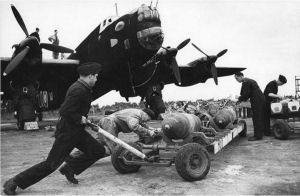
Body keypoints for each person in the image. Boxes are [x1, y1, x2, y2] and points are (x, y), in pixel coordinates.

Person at [3, 62, 106, 195]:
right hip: (68, 133)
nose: (97, 79)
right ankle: (15, 182)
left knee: (98, 150)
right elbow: (65, 111)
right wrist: (80, 118)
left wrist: (83, 119)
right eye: (96, 76)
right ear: (90, 76)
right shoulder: (78, 89)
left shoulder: (82, 87)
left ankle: (70, 168)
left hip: (77, 132)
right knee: (51, 164)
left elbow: (74, 109)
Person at [66, 108, 159, 161]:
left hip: (106, 122)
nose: (148, 120)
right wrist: (148, 132)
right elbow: (134, 126)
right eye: (148, 118)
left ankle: (72, 156)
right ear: (145, 113)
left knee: (97, 144)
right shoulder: (137, 114)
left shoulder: (136, 113)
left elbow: (143, 125)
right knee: (114, 150)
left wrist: (152, 129)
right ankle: (123, 163)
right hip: (109, 124)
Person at [234, 72, 266, 141]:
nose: (236, 80)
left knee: (256, 118)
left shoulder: (246, 82)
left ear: (241, 76)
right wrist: (241, 98)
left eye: (237, 78)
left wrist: (239, 98)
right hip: (260, 100)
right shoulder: (249, 80)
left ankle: (257, 136)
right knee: (259, 117)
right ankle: (260, 134)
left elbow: (246, 94)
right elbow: (246, 93)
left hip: (257, 101)